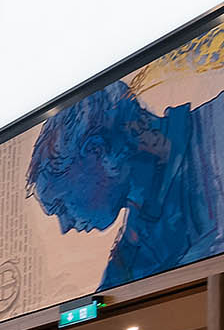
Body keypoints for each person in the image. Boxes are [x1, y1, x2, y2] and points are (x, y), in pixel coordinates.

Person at [26, 80, 224, 289]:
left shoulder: (217, 131)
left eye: (61, 205)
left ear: (96, 150)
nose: (65, 226)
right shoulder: (136, 245)